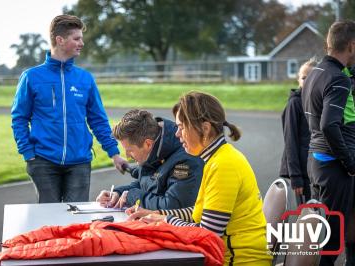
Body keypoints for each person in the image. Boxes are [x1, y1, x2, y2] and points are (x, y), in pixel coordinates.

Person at [127, 92, 272, 265]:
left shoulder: (223, 165)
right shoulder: (216, 158)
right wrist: (157, 214)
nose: (177, 134)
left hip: (239, 261)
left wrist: (166, 220)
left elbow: (207, 234)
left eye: (181, 127)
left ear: (205, 128)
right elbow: (201, 213)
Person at [11, 15, 126, 203]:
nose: (82, 43)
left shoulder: (85, 79)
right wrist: (28, 154)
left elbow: (97, 120)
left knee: (76, 219)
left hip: (79, 162)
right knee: (49, 220)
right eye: (77, 38)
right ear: (60, 40)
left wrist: (114, 154)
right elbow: (19, 118)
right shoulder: (31, 77)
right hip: (43, 161)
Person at [302, 20, 355, 265]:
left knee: (326, 235)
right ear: (351, 46)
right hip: (334, 167)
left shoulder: (314, 73)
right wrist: (349, 162)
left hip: (317, 162)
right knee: (332, 242)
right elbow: (328, 125)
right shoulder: (338, 79)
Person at [96, 109, 204, 210]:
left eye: (130, 150)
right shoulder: (157, 145)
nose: (128, 156)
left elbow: (172, 205)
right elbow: (148, 183)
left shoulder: (185, 161)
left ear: (148, 144)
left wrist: (132, 196)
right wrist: (118, 193)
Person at [279, 58, 317, 205]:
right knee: (307, 217)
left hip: (316, 169)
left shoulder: (317, 101)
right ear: (298, 80)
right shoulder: (295, 103)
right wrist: (296, 177)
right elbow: (290, 141)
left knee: (320, 214)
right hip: (301, 172)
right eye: (303, 78)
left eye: (311, 78)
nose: (307, 81)